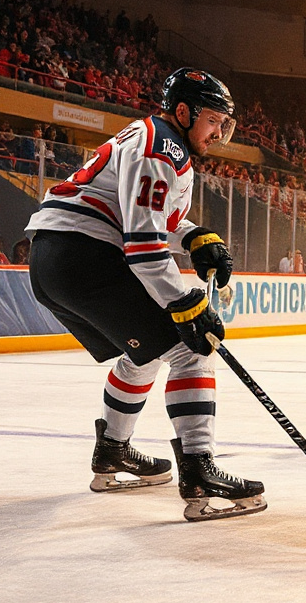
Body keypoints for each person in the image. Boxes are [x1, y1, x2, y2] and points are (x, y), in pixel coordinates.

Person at [26, 67, 264, 522]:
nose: (218, 132)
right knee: (190, 351)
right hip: (86, 257)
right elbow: (142, 246)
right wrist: (186, 302)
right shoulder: (163, 147)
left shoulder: (154, 138)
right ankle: (199, 471)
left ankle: (113, 451)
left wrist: (195, 237)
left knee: (144, 353)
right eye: (213, 120)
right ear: (183, 111)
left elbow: (155, 225)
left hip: (56, 260)